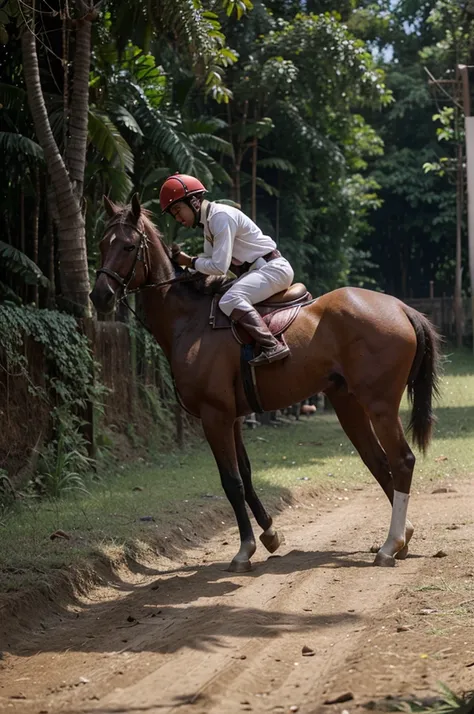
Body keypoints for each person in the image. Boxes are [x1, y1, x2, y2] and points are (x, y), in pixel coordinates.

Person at [159, 173, 294, 365]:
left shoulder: (219, 217)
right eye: (174, 214)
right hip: (259, 271)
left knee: (229, 299)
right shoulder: (208, 226)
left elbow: (219, 266)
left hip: (272, 269)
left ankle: (272, 345)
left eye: (178, 209)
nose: (177, 217)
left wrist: (189, 261)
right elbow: (207, 264)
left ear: (195, 202)